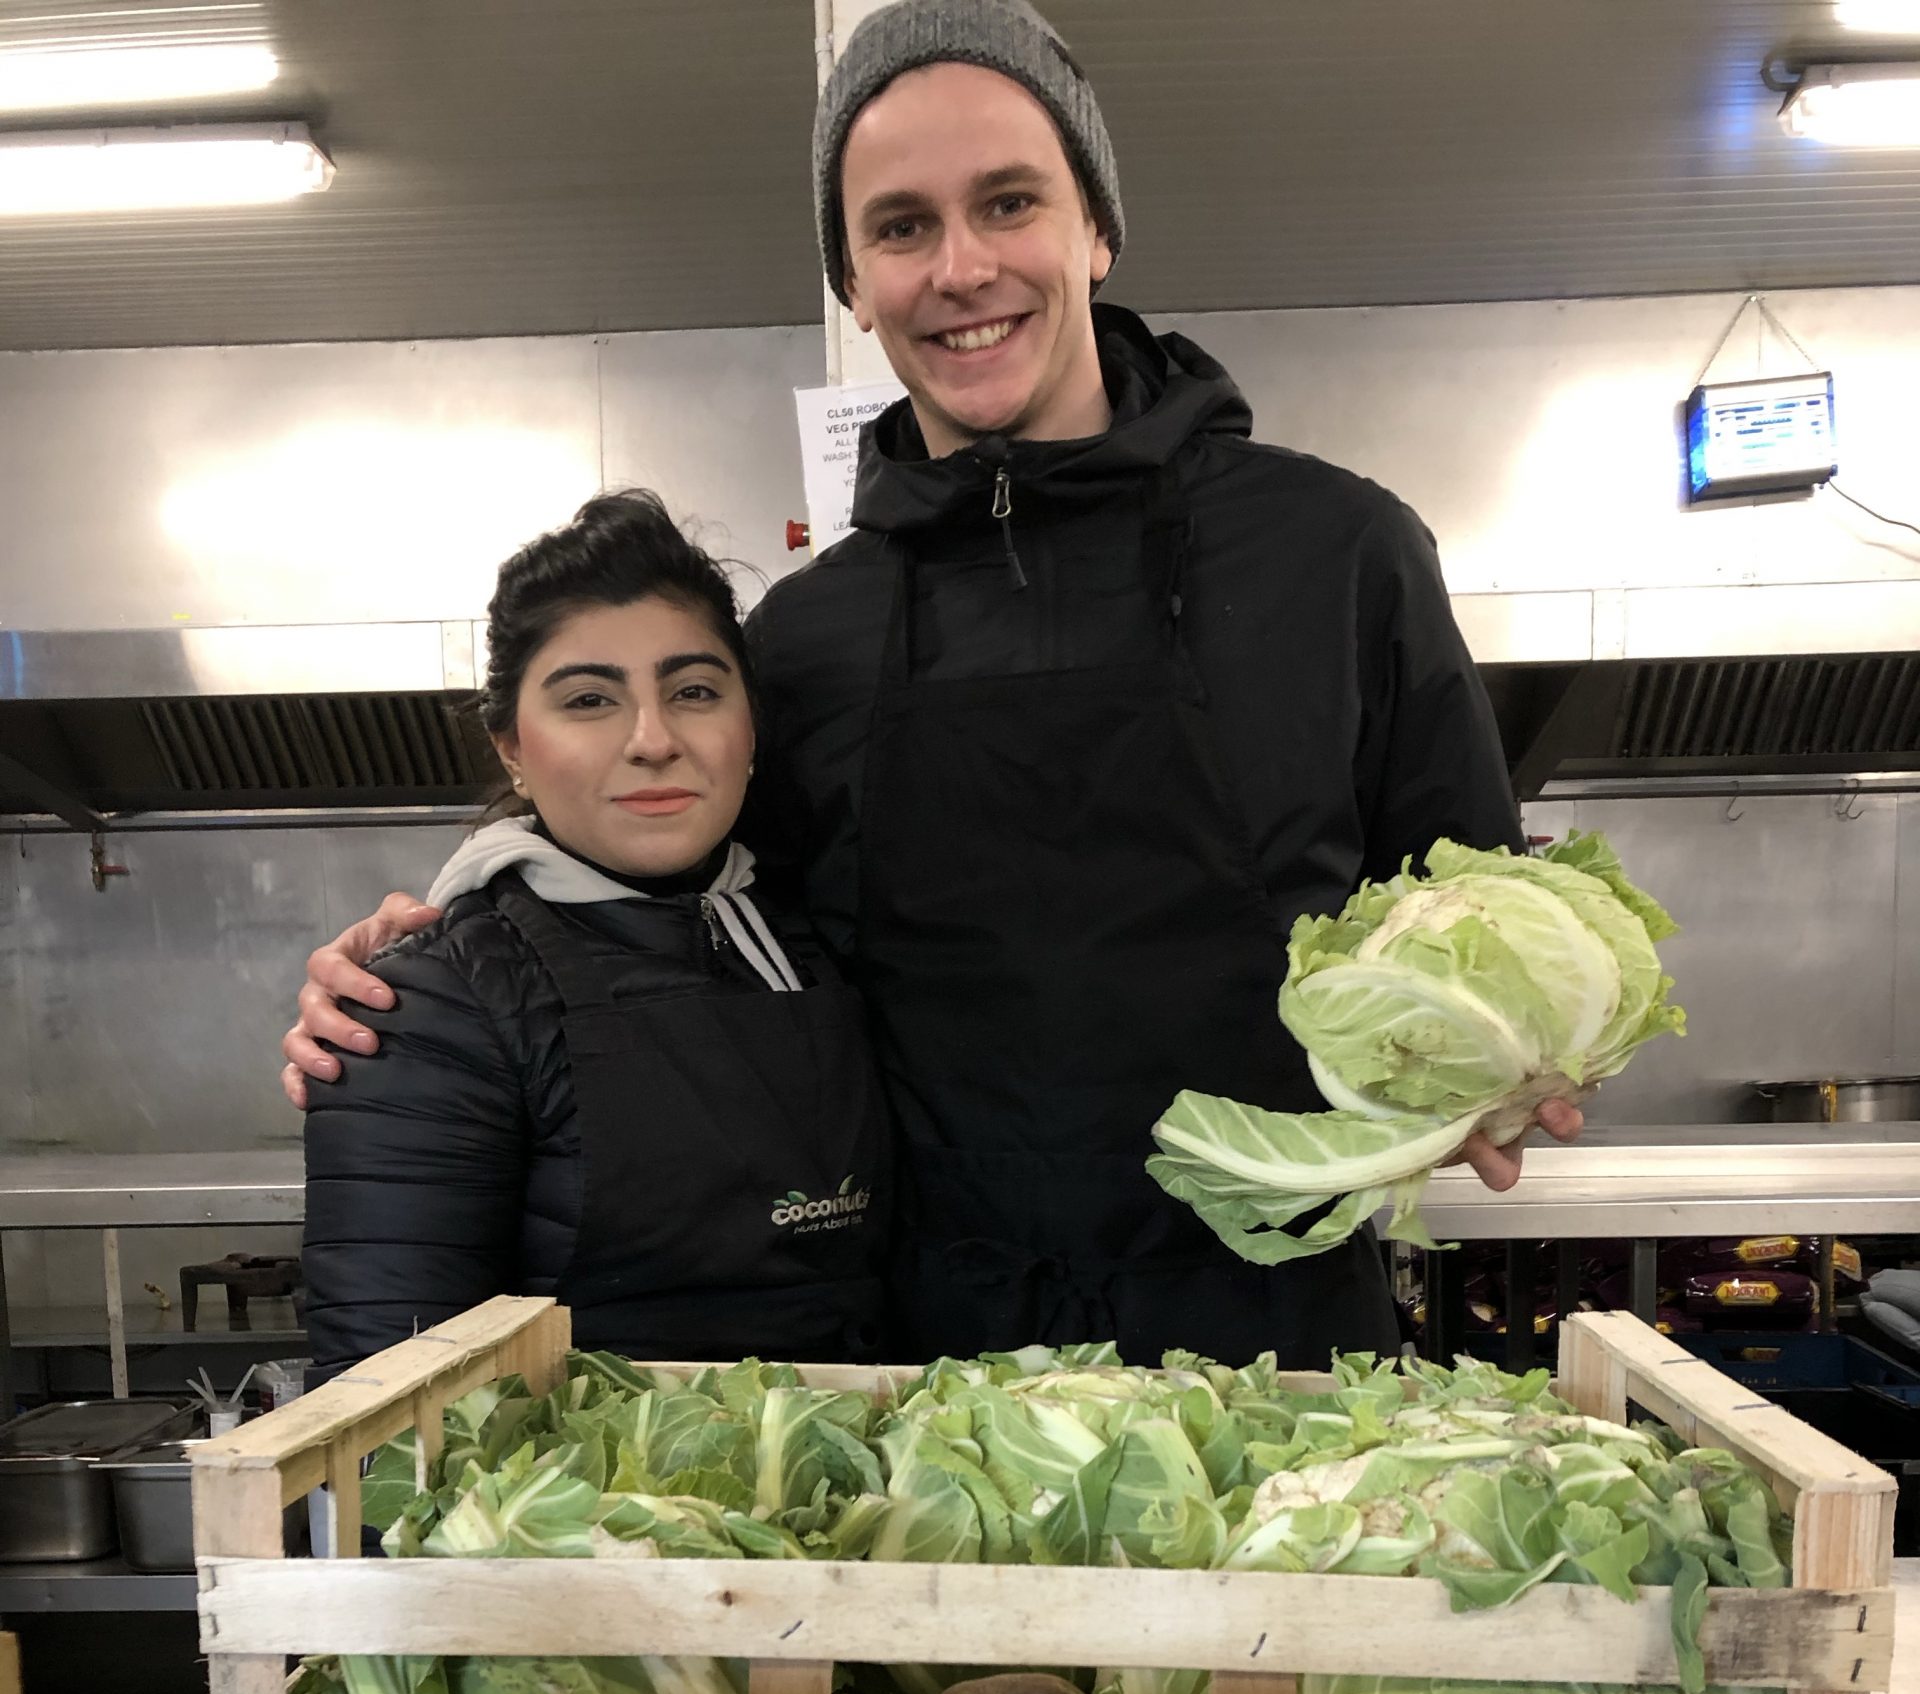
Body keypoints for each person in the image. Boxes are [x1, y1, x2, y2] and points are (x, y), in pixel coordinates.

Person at [285, 0, 1578, 1369]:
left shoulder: (1338, 553)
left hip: (1282, 1342)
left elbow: (1470, 911)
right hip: (923, 1373)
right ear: (854, 279)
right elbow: (680, 925)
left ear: (1097, 229)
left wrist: (1513, 1056)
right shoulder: (809, 638)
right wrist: (425, 971)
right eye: (901, 226)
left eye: (1008, 202)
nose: (962, 268)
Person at [299, 491, 887, 1379]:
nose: (653, 740)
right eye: (588, 700)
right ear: (511, 748)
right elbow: (390, 1420)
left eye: (694, 691)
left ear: (751, 729)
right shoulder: (426, 1005)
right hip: (580, 1515)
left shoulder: (819, 938)